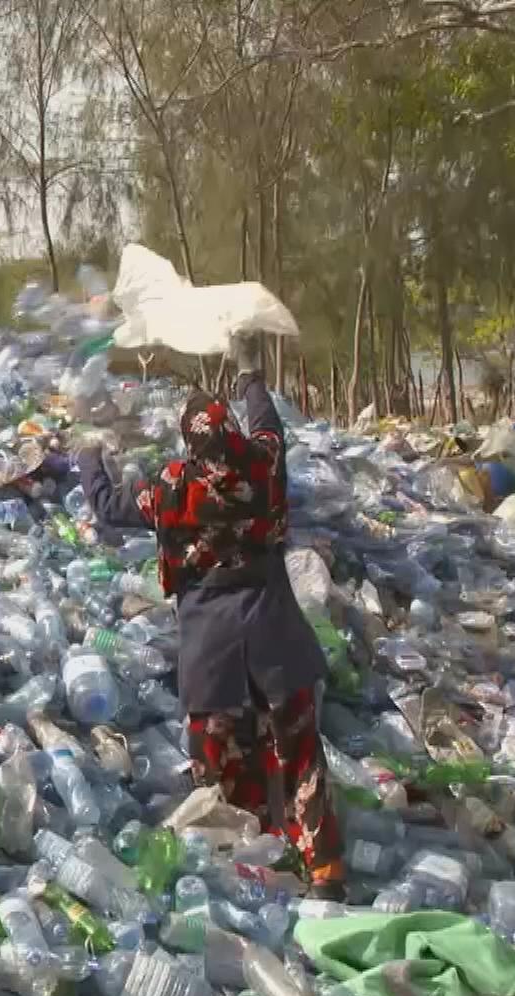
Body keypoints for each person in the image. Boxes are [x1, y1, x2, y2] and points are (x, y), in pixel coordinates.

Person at [77, 337, 343, 899]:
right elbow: (271, 425)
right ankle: (322, 872)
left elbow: (106, 506)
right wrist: (249, 376)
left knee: (222, 771)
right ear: (234, 436)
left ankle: (250, 871)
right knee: (300, 756)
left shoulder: (173, 488)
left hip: (213, 653)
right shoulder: (265, 466)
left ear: (192, 444)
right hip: (277, 639)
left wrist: (88, 457)